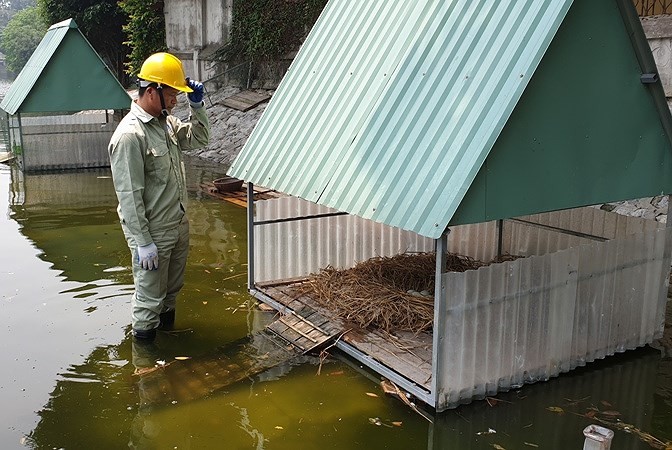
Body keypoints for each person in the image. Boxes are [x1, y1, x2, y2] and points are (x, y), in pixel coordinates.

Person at [108, 52, 210, 342]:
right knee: (149, 300)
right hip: (152, 233)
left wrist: (196, 106)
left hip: (176, 225)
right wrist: (143, 242)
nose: (176, 99)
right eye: (173, 93)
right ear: (152, 92)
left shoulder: (165, 123)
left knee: (171, 292)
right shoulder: (130, 135)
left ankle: (169, 346)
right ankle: (146, 366)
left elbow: (200, 138)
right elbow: (129, 196)